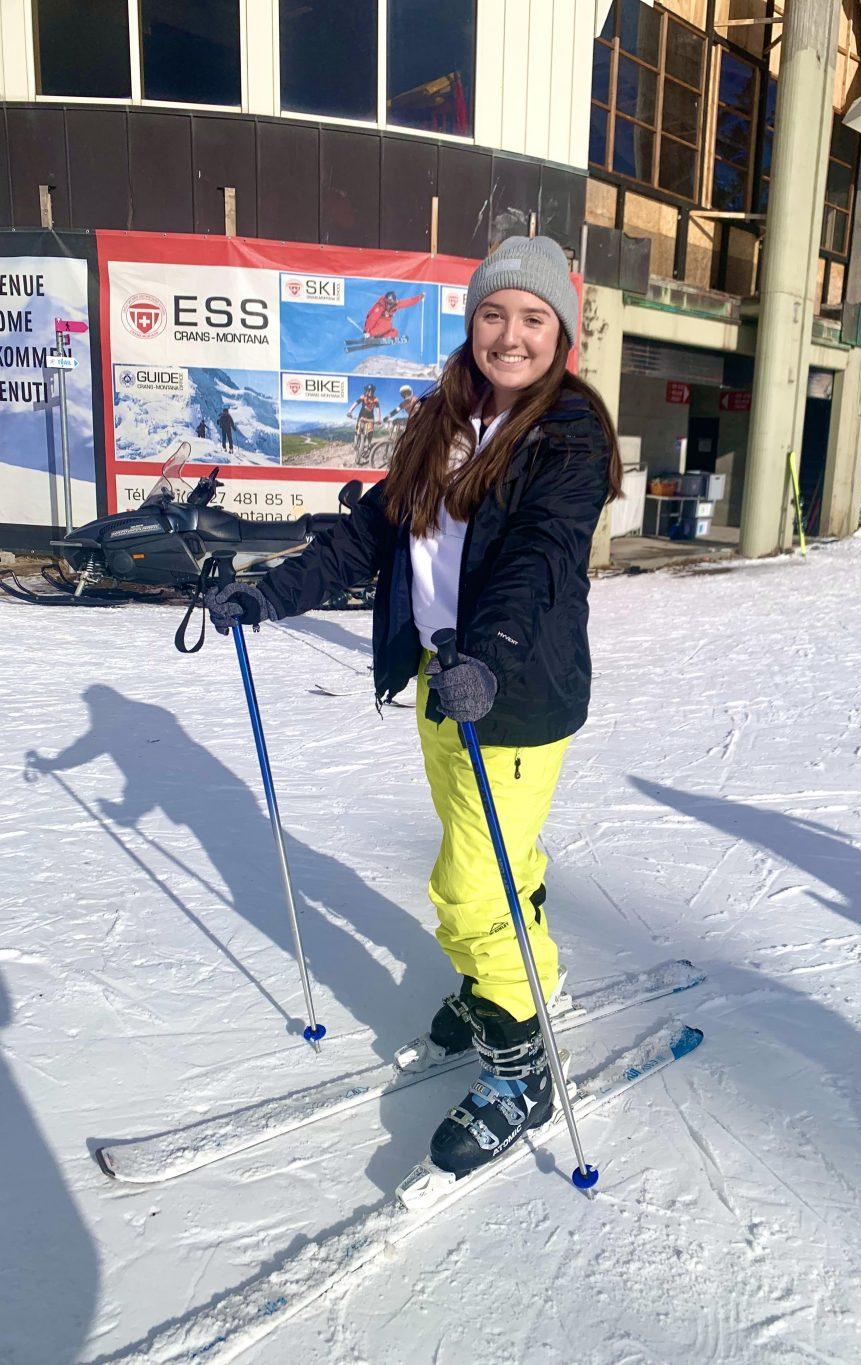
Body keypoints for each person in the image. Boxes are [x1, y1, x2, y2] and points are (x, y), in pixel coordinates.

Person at [206, 236, 622, 1180]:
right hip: (445, 685)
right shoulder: (444, 419)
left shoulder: (570, 433)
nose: (510, 335)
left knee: (469, 885)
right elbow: (370, 534)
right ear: (471, 322)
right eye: (494, 314)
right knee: (495, 858)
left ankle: (520, 1063)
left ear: (561, 334)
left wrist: (493, 653)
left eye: (532, 318)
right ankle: (499, 980)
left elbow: (542, 555)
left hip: (510, 695)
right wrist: (272, 594)